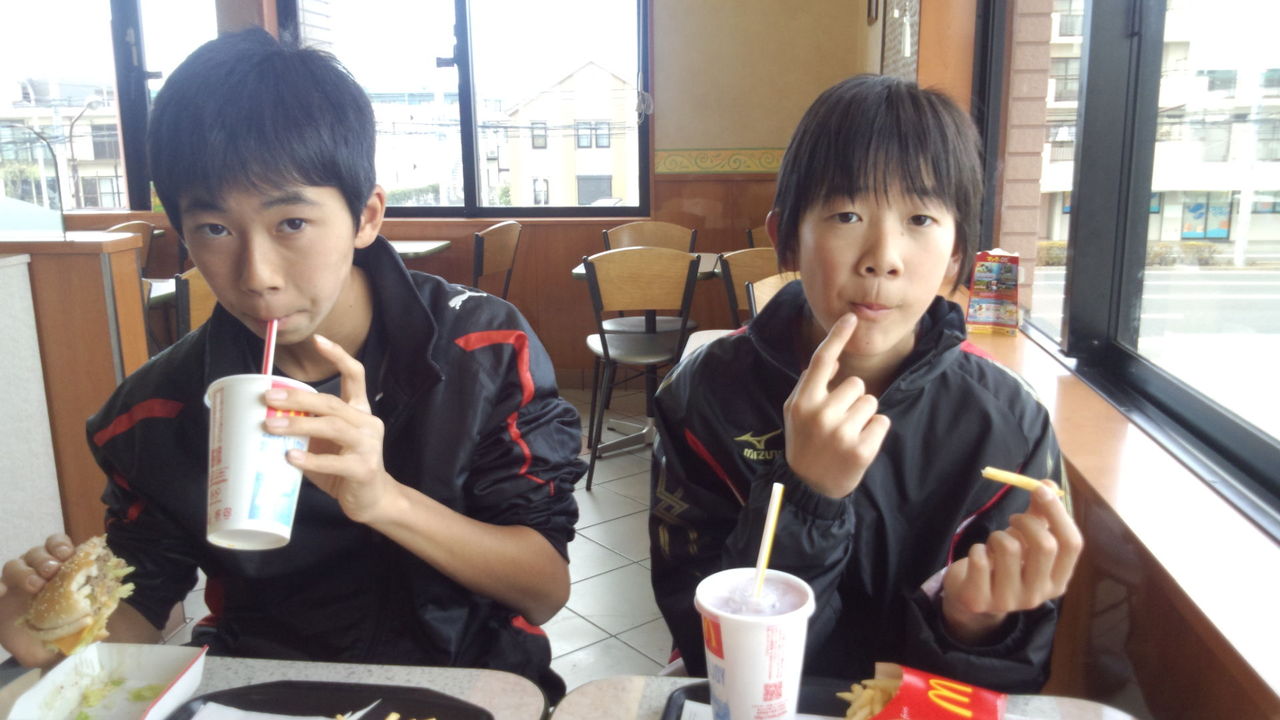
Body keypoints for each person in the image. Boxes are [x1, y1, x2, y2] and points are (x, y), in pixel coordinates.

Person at [0, 28, 583, 701]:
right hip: (264, 689)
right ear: (183, 235)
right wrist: (50, 631)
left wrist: (385, 500)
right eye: (215, 229)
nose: (257, 275)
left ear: (366, 216)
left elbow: (544, 588)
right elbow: (141, 605)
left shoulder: (482, 348)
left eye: (292, 224)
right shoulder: (154, 410)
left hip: (470, 685)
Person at [649, 74, 1082, 692]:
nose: (884, 256)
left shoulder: (1009, 423)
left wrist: (974, 624)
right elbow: (707, 649)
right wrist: (807, 494)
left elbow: (1009, 683)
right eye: (847, 214)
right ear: (785, 239)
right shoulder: (703, 397)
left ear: (957, 254)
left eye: (921, 218)